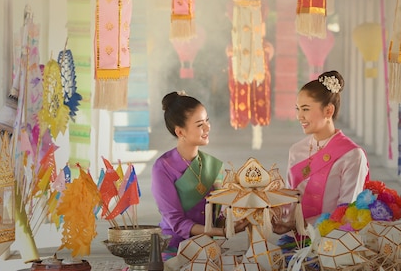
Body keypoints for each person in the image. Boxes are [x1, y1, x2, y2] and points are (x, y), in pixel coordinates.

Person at [273, 70, 370, 234]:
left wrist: (302, 226)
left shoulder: (352, 155)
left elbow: (348, 212)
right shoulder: (296, 151)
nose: (299, 116)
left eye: (305, 109)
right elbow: (291, 201)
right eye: (297, 109)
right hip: (296, 241)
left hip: (334, 244)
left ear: (328, 111)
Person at [151, 91, 249, 251]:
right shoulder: (162, 167)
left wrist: (236, 221)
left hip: (208, 246)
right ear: (180, 132)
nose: (207, 127)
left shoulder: (212, 165)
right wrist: (222, 232)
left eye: (207, 121)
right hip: (173, 246)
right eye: (199, 124)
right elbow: (176, 222)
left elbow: (219, 214)